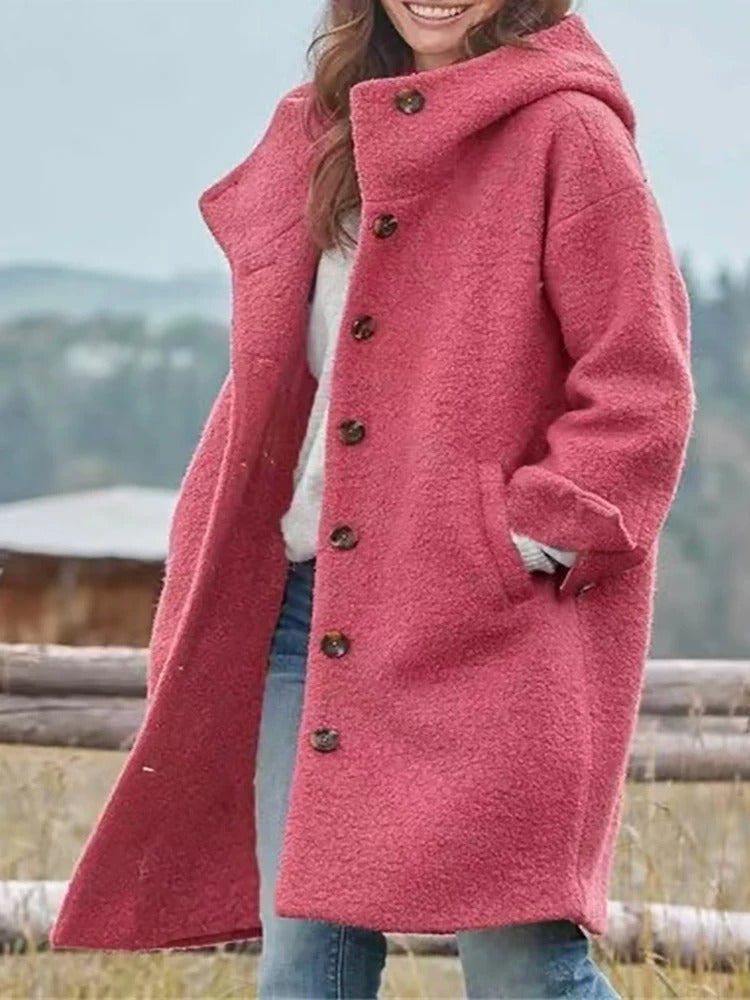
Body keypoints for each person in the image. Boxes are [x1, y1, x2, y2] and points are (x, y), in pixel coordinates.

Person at [51, 1, 696, 997]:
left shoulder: (567, 130)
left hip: (488, 625)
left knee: (522, 968)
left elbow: (641, 383)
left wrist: (518, 542)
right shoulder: (328, 125)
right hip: (305, 611)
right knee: (304, 967)